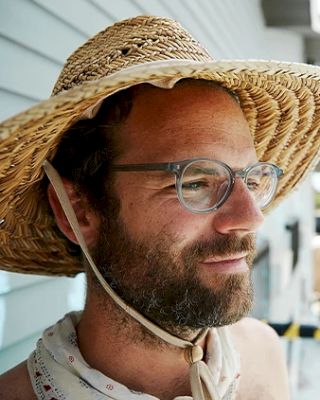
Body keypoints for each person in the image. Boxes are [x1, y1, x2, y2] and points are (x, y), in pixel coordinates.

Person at [1, 15, 320, 400]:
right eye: (196, 182)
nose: (251, 217)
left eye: (252, 180)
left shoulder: (262, 356)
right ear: (79, 209)